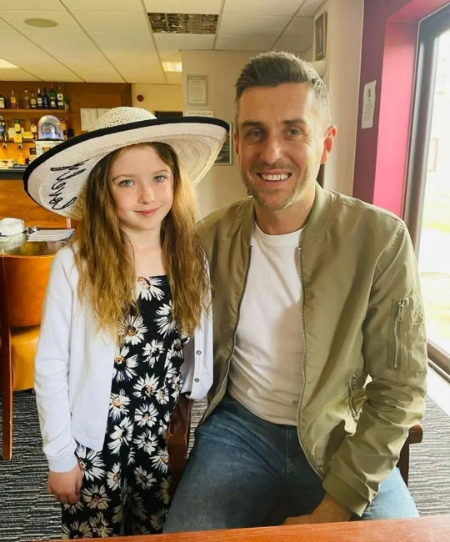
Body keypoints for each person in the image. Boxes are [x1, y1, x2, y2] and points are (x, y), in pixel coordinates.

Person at [164, 52, 428, 532]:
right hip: (237, 431)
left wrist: (335, 508)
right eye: (255, 133)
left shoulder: (379, 239)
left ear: (325, 144)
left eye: (293, 131)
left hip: (340, 434)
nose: (271, 153)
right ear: (238, 144)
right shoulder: (209, 238)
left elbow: (400, 389)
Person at [25, 107, 228, 538]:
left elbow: (193, 342)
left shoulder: (189, 258)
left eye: (158, 177)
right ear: (103, 190)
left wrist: (193, 392)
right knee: (96, 532)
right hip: (96, 440)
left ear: (175, 179)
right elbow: (50, 367)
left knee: (153, 530)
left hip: (156, 435)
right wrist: (60, 457)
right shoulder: (75, 265)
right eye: (126, 182)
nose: (147, 195)